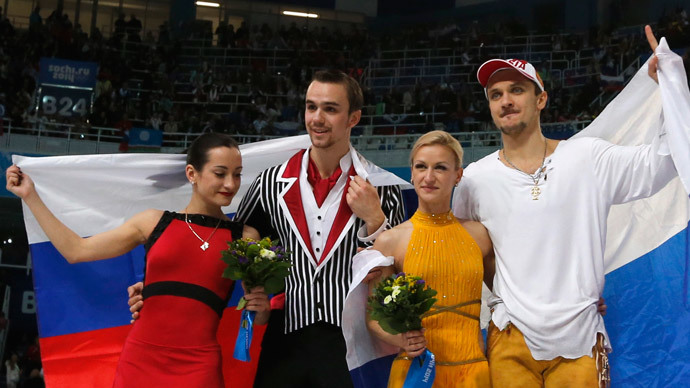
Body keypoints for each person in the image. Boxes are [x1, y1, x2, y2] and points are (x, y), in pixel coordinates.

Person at [128, 70, 406, 387]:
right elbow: (227, 246)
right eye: (311, 107)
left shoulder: (381, 188)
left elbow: (397, 269)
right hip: (284, 340)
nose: (317, 118)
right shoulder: (270, 183)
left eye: (330, 109)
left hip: (351, 347)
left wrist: (375, 220)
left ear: (353, 117)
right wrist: (161, 286)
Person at [452, 26, 686, 387]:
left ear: (541, 99)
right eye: (496, 94)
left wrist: (668, 86)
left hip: (579, 338)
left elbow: (663, 163)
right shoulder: (473, 180)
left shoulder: (588, 157)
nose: (506, 100)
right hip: (510, 337)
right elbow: (467, 252)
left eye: (517, 90)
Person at [5, 133, 271, 387]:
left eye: (237, 175)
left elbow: (255, 316)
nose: (230, 184)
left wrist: (262, 308)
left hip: (199, 366)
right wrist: (30, 196)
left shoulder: (246, 238)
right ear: (192, 173)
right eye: (220, 173)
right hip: (141, 360)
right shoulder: (152, 221)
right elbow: (77, 250)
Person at [366, 131, 494, 387]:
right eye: (421, 166)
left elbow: (508, 297)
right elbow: (373, 317)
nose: (429, 177)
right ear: (411, 173)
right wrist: (401, 340)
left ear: (458, 176)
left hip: (472, 372)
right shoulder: (390, 241)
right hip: (415, 373)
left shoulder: (479, 235)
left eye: (441, 168)